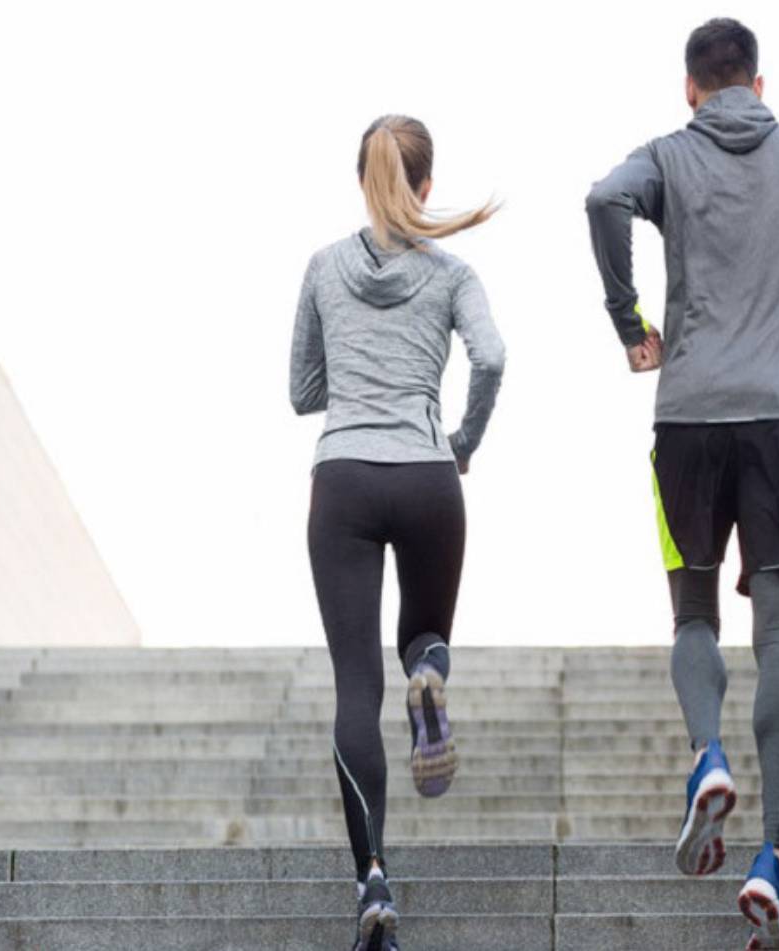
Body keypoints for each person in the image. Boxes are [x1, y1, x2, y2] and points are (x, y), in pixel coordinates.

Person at [584, 17, 779, 951]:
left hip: (688, 416)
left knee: (693, 614)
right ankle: (772, 855)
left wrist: (630, 320)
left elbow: (600, 201)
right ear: (760, 78)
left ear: (691, 87)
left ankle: (706, 754)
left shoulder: (668, 154)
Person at [290, 114, 505, 951]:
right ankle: (429, 672)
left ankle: (373, 876)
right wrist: (461, 443)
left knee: (354, 687)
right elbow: (491, 358)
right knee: (422, 635)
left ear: (362, 182)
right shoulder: (454, 274)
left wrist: (352, 378)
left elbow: (303, 388)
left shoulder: (322, 267)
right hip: (426, 476)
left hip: (342, 477)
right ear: (426, 184)